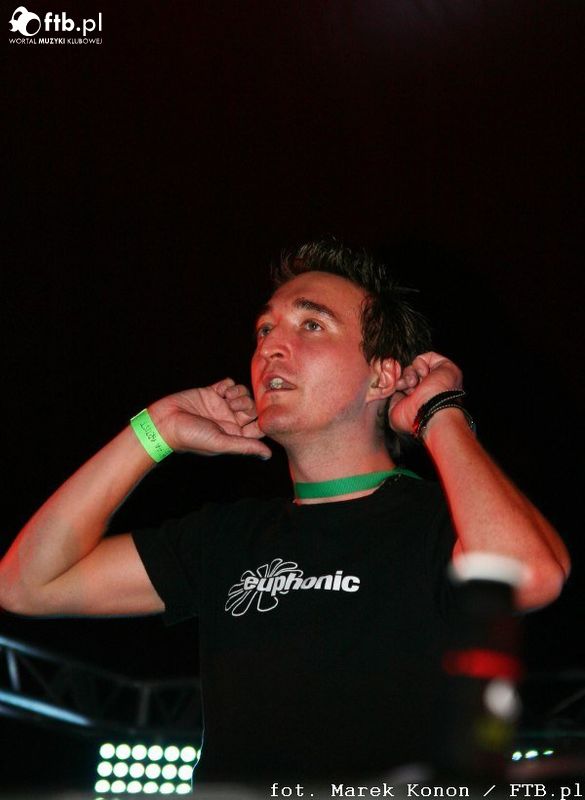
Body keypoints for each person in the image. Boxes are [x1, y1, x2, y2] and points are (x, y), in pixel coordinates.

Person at [0, 239, 570, 786]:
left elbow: (533, 574)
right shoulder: (226, 536)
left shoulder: (444, 524)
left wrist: (439, 411)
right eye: (265, 329)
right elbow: (27, 584)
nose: (271, 346)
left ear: (382, 375)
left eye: (311, 324)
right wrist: (155, 431)